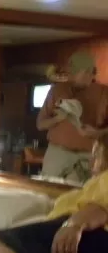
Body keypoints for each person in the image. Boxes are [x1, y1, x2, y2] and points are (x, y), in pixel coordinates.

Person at [37, 51, 108, 183]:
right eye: (71, 72)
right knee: (47, 190)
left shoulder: (104, 93)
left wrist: (97, 133)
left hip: (86, 157)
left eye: (76, 73)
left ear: (90, 72)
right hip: (57, 154)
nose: (71, 77)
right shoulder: (57, 90)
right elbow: (40, 124)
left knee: (78, 193)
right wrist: (58, 119)